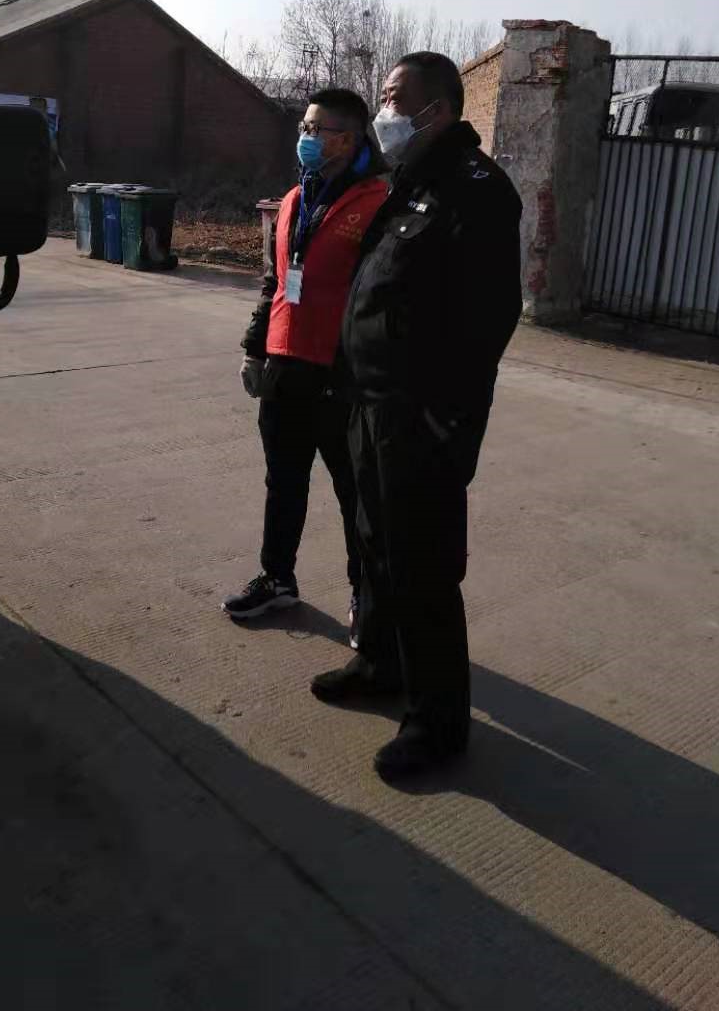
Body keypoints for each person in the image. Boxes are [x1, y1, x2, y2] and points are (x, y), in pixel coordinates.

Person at [311, 52, 523, 783]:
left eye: (396, 97)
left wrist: (442, 422)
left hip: (419, 423)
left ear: (438, 108)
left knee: (423, 570)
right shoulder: (409, 182)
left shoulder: (477, 190)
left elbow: (487, 322)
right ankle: (380, 664)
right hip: (370, 410)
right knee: (375, 547)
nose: (385, 110)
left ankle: (437, 723)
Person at [222, 88, 388, 639]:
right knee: (283, 482)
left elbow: (382, 300)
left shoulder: (379, 203)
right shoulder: (295, 198)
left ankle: (365, 596)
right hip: (284, 368)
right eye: (305, 128)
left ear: (348, 139)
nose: (306, 138)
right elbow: (275, 280)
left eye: (317, 130)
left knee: (354, 495)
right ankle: (277, 578)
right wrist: (255, 347)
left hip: (341, 377)